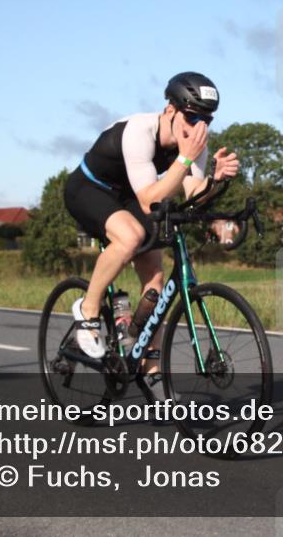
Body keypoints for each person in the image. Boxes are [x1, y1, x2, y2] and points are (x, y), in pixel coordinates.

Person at [63, 72, 239, 370]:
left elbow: (193, 193)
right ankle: (88, 309)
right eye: (193, 118)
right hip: (89, 188)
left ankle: (146, 361)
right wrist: (184, 160)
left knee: (155, 279)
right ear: (170, 110)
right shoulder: (139, 132)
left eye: (207, 121)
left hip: (129, 194)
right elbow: (149, 201)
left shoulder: (194, 145)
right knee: (129, 237)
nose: (199, 128)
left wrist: (215, 180)